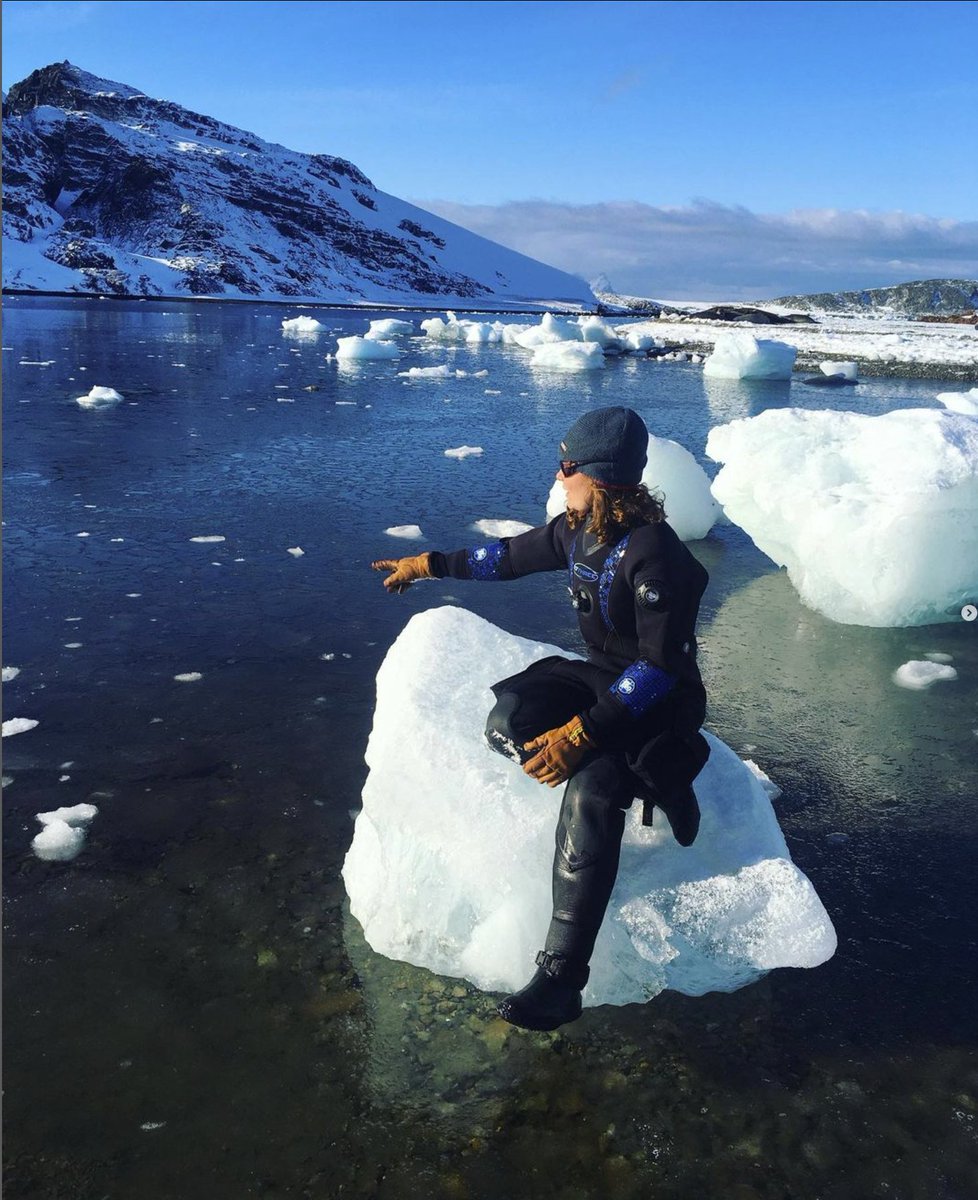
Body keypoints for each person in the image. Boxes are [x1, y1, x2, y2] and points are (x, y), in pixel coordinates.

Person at [371, 406, 710, 1032]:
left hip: (662, 697)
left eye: (567, 465)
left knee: (591, 789)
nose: (560, 474)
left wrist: (581, 735)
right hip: (605, 677)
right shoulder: (576, 530)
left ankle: (560, 980)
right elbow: (506, 557)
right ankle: (633, 763)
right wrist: (430, 565)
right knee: (509, 719)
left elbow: (659, 669)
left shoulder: (655, 556)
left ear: (598, 475)